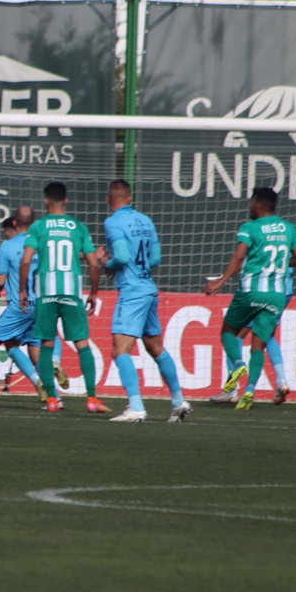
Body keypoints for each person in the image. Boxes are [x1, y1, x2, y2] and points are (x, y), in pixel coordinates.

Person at [94, 180, 191, 423]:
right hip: (149, 288)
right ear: (129, 198)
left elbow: (123, 256)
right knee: (154, 347)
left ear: (109, 200)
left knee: (120, 350)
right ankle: (178, 401)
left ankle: (136, 407)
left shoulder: (113, 222)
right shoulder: (145, 220)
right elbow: (155, 258)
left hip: (132, 292)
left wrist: (106, 262)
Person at [203, 187, 296, 411]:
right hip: (277, 295)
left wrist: (220, 281)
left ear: (257, 204)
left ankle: (238, 365)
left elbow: (239, 255)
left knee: (228, 331)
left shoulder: (249, 227)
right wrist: (278, 263)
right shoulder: (288, 229)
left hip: (251, 291)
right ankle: (249, 389)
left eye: (251, 202)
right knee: (258, 344)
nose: (250, 205)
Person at [19, 182, 110, 414]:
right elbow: (92, 262)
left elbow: (26, 260)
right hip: (71, 292)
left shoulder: (38, 226)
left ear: (46, 201)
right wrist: (94, 292)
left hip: (46, 293)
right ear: (66, 201)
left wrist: (22, 290)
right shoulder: (77, 227)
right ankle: (92, 398)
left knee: (47, 345)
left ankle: (52, 399)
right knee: (82, 344)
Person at [209, 242, 296, 406]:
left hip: (263, 290)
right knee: (266, 336)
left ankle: (231, 390)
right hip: (282, 292)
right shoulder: (284, 232)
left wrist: (223, 278)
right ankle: (280, 381)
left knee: (237, 335)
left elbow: (244, 259)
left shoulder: (259, 233)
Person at [0, 207, 66, 407]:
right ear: (35, 222)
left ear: (14, 223)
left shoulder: (7, 247)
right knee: (36, 351)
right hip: (43, 305)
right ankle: (55, 397)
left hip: (21, 306)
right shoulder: (43, 244)